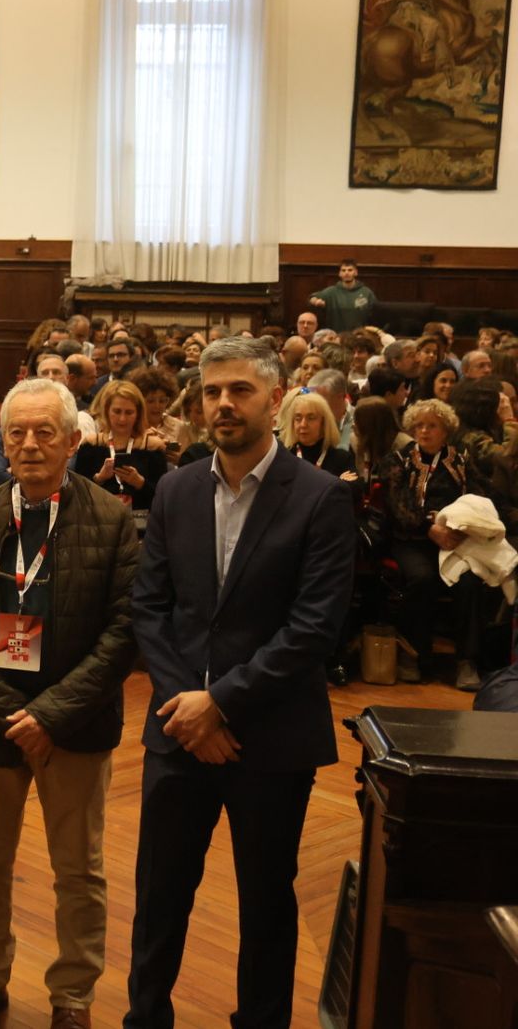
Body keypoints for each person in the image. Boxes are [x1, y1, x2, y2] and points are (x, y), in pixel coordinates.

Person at [125, 337, 354, 1029]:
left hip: (271, 734)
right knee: (159, 896)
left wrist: (220, 704)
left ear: (275, 398)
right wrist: (187, 709)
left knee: (266, 899)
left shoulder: (319, 497)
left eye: (240, 390)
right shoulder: (177, 488)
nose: (223, 403)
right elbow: (150, 608)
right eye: (212, 391)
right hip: (178, 730)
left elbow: (313, 629)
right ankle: (145, 1018)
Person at [0, 378, 139, 1029]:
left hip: (75, 725)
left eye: (44, 432)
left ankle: (72, 995)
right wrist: (9, 712)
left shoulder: (111, 519)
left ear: (73, 441)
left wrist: (50, 714)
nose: (28, 444)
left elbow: (124, 631)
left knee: (79, 869)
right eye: (15, 432)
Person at [370, 398, 489, 691]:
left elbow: (479, 497)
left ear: (445, 430)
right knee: (422, 578)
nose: (424, 431)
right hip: (411, 539)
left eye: (432, 426)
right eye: (420, 425)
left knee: (469, 581)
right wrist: (429, 528)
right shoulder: (399, 460)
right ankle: (413, 654)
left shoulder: (460, 461)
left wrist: (458, 526)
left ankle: (466, 661)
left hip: (456, 538)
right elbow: (398, 506)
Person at [73, 381, 167, 533]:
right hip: (98, 526)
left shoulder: (152, 448)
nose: (122, 419)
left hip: (142, 528)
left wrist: (140, 483)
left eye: (129, 412)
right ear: (106, 411)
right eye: (117, 411)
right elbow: (77, 495)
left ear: (138, 414)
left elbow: (164, 498)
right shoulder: (90, 445)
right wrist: (99, 478)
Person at [278, 389, 355, 478]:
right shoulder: (283, 457)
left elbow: (353, 485)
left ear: (324, 423)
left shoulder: (342, 459)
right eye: (298, 419)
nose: (303, 425)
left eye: (311, 418)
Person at [308, 259, 378, 331]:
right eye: (343, 270)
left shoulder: (366, 292)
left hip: (359, 335)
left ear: (356, 273)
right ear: (340, 274)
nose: (346, 273)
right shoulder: (331, 291)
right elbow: (311, 298)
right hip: (336, 335)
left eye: (350, 270)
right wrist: (315, 301)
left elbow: (376, 313)